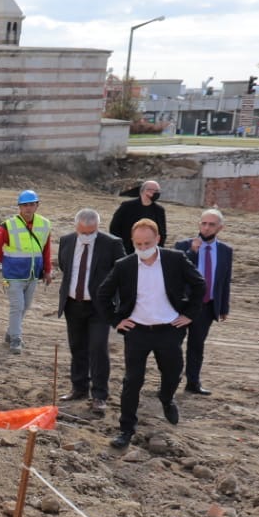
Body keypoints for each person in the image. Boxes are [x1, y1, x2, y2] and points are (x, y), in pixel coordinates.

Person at [95, 219, 205, 449]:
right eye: (138, 244)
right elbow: (103, 294)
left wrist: (189, 315)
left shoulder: (174, 259)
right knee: (132, 381)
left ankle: (166, 398)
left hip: (169, 329)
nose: (143, 248)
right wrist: (117, 320)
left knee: (173, 372)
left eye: (147, 243)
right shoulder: (125, 265)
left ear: (158, 240)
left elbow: (199, 284)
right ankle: (126, 429)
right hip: (137, 331)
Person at [55, 208, 120, 414]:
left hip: (99, 307)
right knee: (77, 346)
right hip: (73, 304)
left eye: (91, 232)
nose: (86, 236)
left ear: (97, 228)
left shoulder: (111, 244)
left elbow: (122, 272)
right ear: (76, 228)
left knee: (98, 348)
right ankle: (79, 387)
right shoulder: (66, 241)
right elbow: (65, 268)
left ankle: (100, 395)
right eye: (83, 232)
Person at [174, 208, 233, 395]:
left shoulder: (225, 251)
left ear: (220, 228)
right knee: (174, 345)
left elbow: (224, 280)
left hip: (206, 306)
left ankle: (193, 383)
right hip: (183, 306)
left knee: (196, 346)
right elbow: (176, 274)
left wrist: (223, 306)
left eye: (211, 224)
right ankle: (171, 381)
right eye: (204, 223)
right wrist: (192, 251)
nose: (206, 228)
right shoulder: (183, 245)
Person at [0, 190, 52, 355]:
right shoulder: (8, 225)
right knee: (17, 306)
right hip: (12, 275)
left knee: (26, 305)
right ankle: (16, 339)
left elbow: (46, 249)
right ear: (19, 207)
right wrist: (7, 262)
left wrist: (47, 270)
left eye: (31, 204)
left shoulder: (44, 224)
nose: (28, 208)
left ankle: (10, 332)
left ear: (37, 205)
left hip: (32, 273)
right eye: (24, 205)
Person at [109, 179, 167, 253]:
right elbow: (114, 227)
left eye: (158, 191)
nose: (157, 193)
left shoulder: (159, 210)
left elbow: (162, 233)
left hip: (150, 250)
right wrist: (120, 247)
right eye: (155, 190)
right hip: (127, 250)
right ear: (145, 191)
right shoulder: (127, 206)